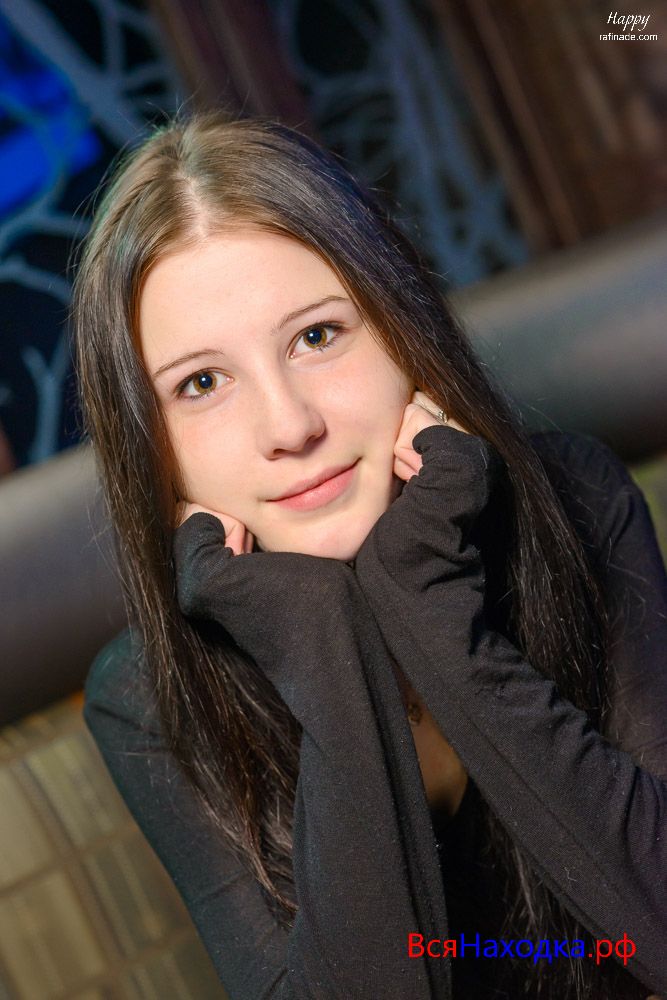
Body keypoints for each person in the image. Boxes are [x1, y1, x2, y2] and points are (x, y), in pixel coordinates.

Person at [74, 111, 667, 999]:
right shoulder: (146, 695)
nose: (289, 425)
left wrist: (428, 600)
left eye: (317, 336)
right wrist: (322, 646)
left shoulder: (576, 504)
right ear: (147, 447)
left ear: (402, 332)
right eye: (201, 383)